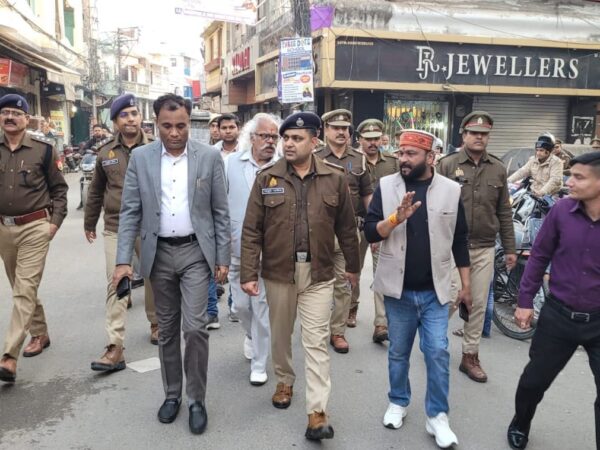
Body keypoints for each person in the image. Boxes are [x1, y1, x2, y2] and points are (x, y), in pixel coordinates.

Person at [112, 94, 230, 434]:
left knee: (195, 328)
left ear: (189, 123)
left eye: (181, 126)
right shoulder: (141, 158)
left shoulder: (208, 157)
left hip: (196, 254)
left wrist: (222, 258)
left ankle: (196, 399)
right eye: (167, 126)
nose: (175, 133)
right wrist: (123, 261)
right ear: (156, 124)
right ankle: (172, 394)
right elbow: (130, 212)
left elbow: (220, 212)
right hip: (158, 254)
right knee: (166, 330)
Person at [240, 112, 360, 440]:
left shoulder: (334, 178)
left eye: (297, 138)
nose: (288, 144)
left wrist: (353, 268)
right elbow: (251, 230)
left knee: (316, 341)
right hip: (279, 272)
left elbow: (347, 228)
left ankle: (317, 412)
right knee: (281, 334)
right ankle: (284, 380)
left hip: (319, 273)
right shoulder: (267, 178)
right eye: (286, 138)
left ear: (314, 141)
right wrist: (248, 272)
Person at [364, 129, 471, 448]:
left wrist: (466, 285)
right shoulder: (386, 186)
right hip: (398, 291)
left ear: (430, 156)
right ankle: (398, 401)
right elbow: (370, 232)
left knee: (437, 351)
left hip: (435, 291)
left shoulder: (451, 190)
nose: (403, 159)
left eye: (411, 153)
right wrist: (395, 218)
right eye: (401, 153)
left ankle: (437, 415)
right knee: (398, 351)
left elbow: (460, 239)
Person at [507, 152, 600, 450]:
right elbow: (539, 257)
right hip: (558, 316)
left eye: (579, 177)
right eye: (571, 175)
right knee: (534, 381)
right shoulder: (561, 211)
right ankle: (521, 422)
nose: (569, 182)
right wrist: (524, 301)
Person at [437, 111, 516, 383]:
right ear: (464, 135)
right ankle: (433, 339)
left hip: (483, 247)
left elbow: (504, 211)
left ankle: (470, 355)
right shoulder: (447, 165)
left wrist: (510, 249)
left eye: (484, 134)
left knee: (478, 304)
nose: (479, 138)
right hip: (450, 246)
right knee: (450, 296)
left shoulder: (498, 168)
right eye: (474, 133)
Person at [84, 93, 158, 372]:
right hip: (116, 226)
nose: (130, 119)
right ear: (115, 122)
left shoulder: (156, 147)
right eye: (124, 115)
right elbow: (95, 192)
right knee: (116, 281)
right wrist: (89, 223)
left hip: (150, 226)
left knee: (153, 277)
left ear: (141, 117)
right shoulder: (105, 153)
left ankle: (157, 324)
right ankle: (115, 346)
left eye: (134, 113)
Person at [0, 94, 68, 383]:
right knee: (21, 286)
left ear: (27, 119)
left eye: (16, 113)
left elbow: (60, 190)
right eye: (5, 112)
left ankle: (9, 355)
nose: (10, 117)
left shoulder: (43, 150)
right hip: (4, 229)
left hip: (35, 227)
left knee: (24, 288)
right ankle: (40, 333)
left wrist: (53, 224)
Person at [225, 113, 279, 386]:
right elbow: (219, 205)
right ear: (252, 137)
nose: (270, 141)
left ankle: (259, 363)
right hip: (236, 248)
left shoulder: (282, 167)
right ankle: (249, 335)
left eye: (274, 137)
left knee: (261, 309)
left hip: (269, 252)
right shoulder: (231, 163)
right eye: (265, 136)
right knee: (240, 307)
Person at [314, 109, 372, 354]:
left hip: (349, 232)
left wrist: (375, 223)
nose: (341, 132)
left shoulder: (359, 159)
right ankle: (316, 328)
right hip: (319, 231)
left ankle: (337, 332)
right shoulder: (314, 156)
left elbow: (367, 194)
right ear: (326, 130)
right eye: (336, 128)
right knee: (316, 283)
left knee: (345, 283)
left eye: (345, 128)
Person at [353, 118, 399, 343]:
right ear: (359, 139)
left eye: (376, 139)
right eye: (368, 139)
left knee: (382, 272)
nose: (372, 143)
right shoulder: (352, 161)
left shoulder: (393, 163)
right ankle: (351, 307)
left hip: (383, 226)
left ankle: (381, 323)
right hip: (356, 225)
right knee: (353, 269)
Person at [207, 113, 241, 329]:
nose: (228, 131)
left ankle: (234, 306)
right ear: (218, 130)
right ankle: (211, 311)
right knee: (210, 263)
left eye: (232, 127)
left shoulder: (247, 151)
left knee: (236, 263)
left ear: (238, 128)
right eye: (224, 127)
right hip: (214, 215)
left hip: (239, 216)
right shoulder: (210, 153)